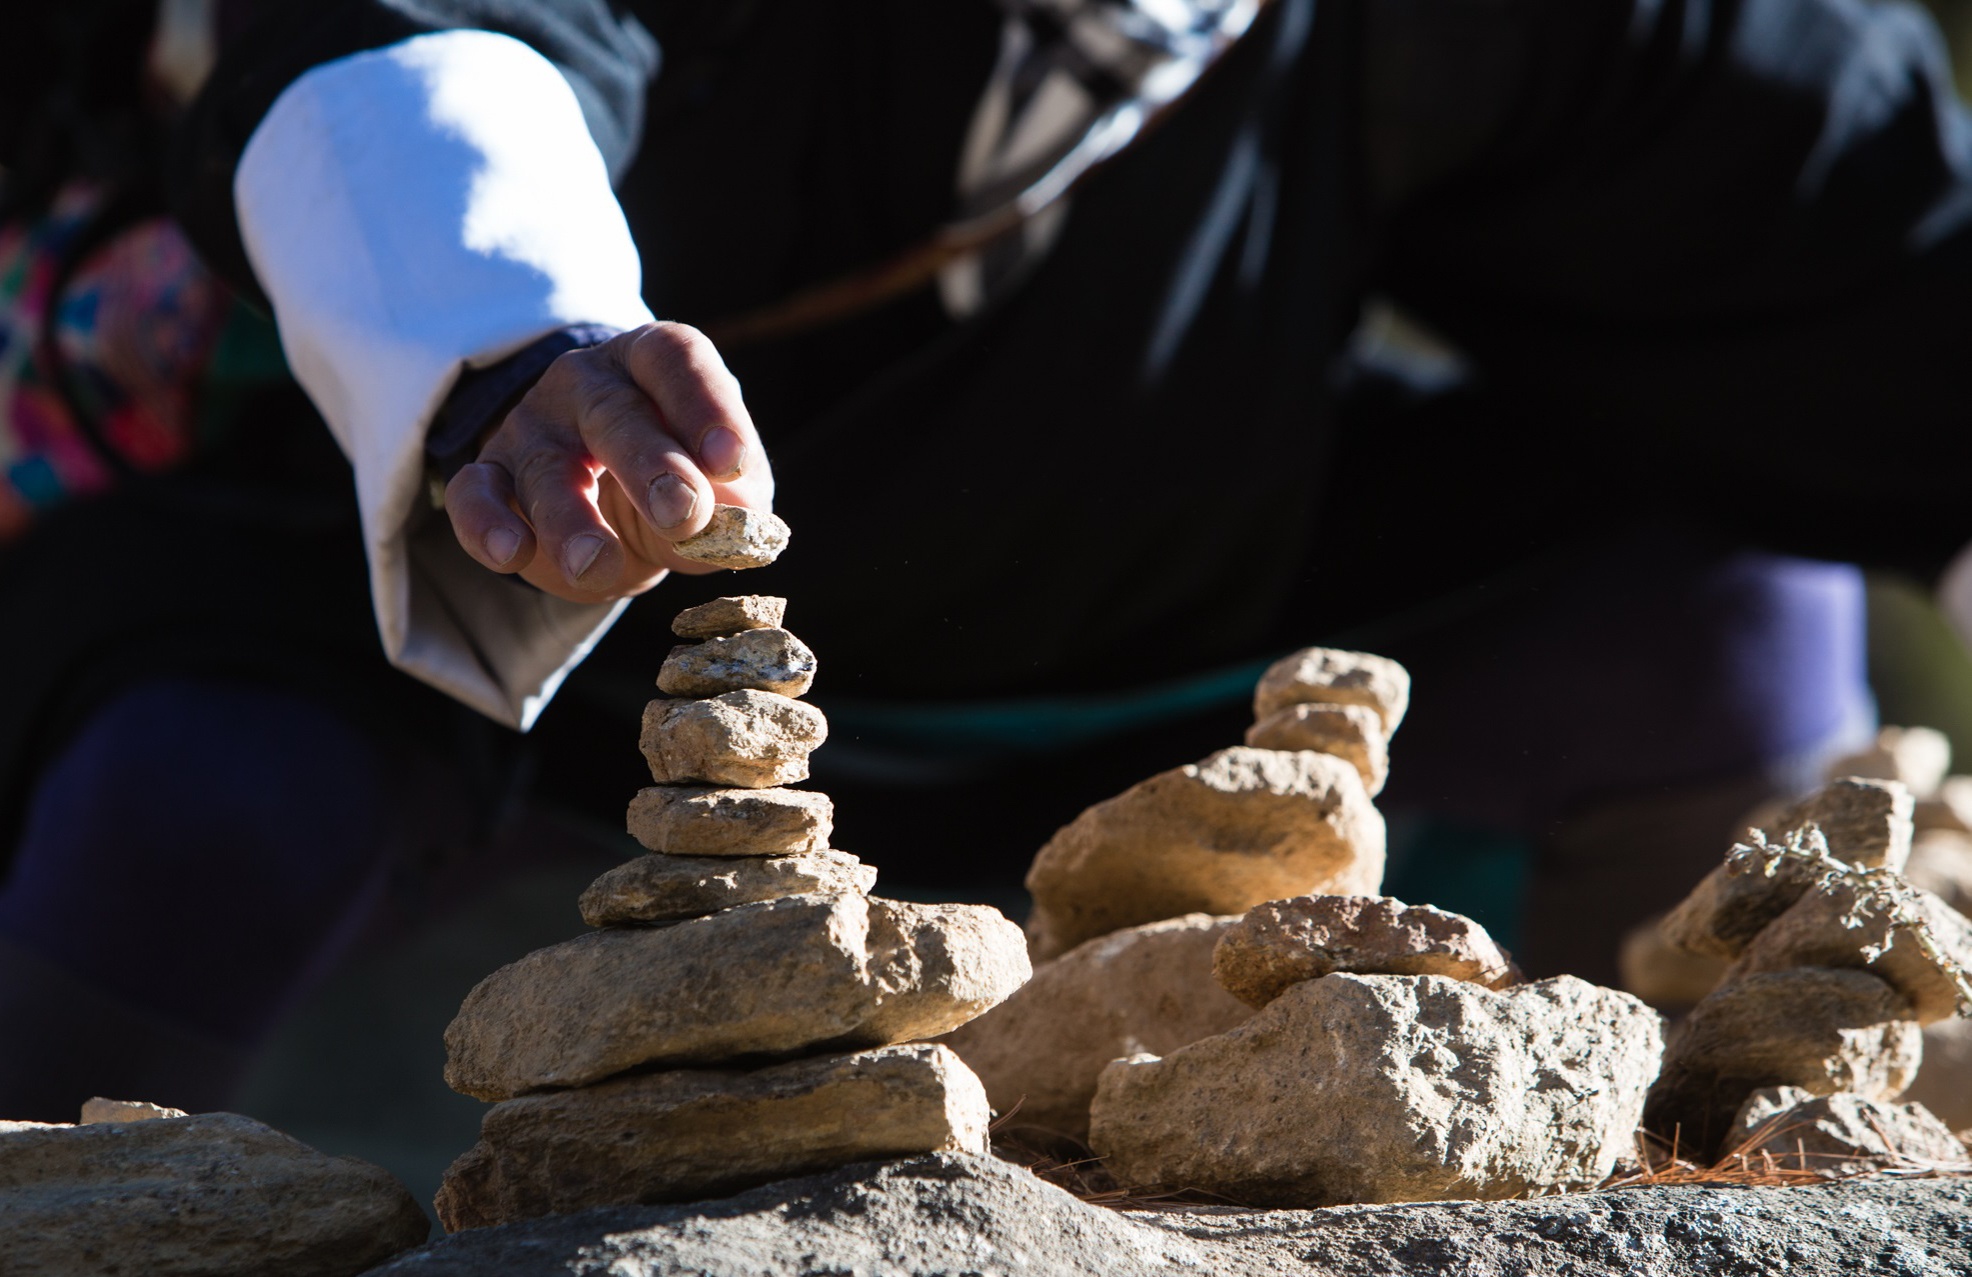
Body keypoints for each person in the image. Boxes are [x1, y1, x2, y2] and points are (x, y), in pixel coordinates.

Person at [0, 0, 1962, 1119]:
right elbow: (419, 32)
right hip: (531, 625)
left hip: (1168, 611)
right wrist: (513, 349)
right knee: (196, 801)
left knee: (1714, 600)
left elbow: (1852, 256)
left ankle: (1668, 1140)